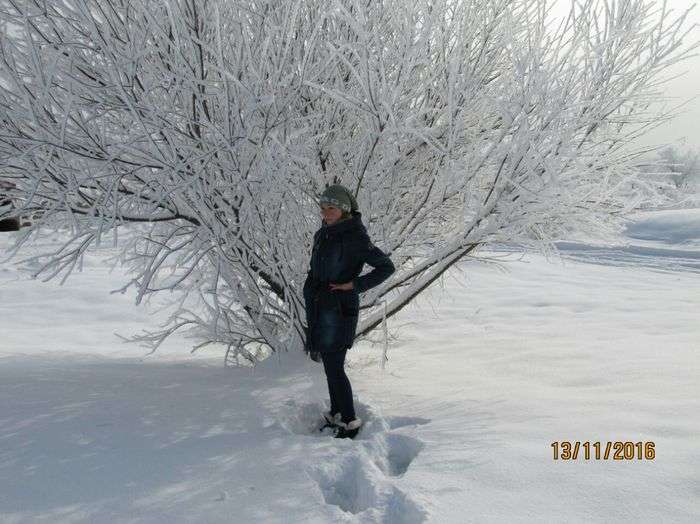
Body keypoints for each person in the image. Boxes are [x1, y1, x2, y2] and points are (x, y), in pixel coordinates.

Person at [303, 184, 395, 439]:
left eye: (331, 208)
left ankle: (349, 420)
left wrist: (354, 285)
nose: (325, 213)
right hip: (319, 307)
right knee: (329, 366)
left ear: (343, 210)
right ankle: (336, 413)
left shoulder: (355, 237)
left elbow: (386, 267)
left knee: (335, 366)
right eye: (322, 208)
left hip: (339, 310)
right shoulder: (322, 233)